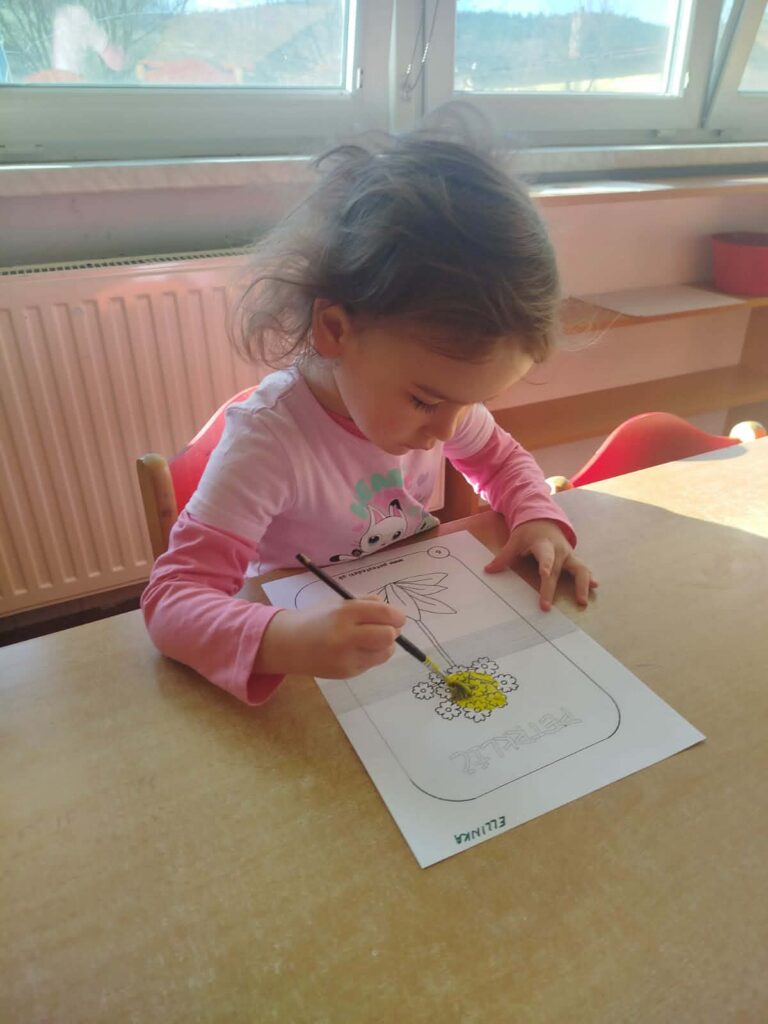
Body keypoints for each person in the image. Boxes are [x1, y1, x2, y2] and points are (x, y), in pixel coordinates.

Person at [141, 109, 597, 705]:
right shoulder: (268, 443)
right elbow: (171, 600)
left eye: (473, 402)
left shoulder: (443, 404)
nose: (445, 432)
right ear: (335, 330)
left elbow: (502, 461)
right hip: (309, 667)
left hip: (412, 620)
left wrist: (537, 515)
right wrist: (284, 639)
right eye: (425, 400)